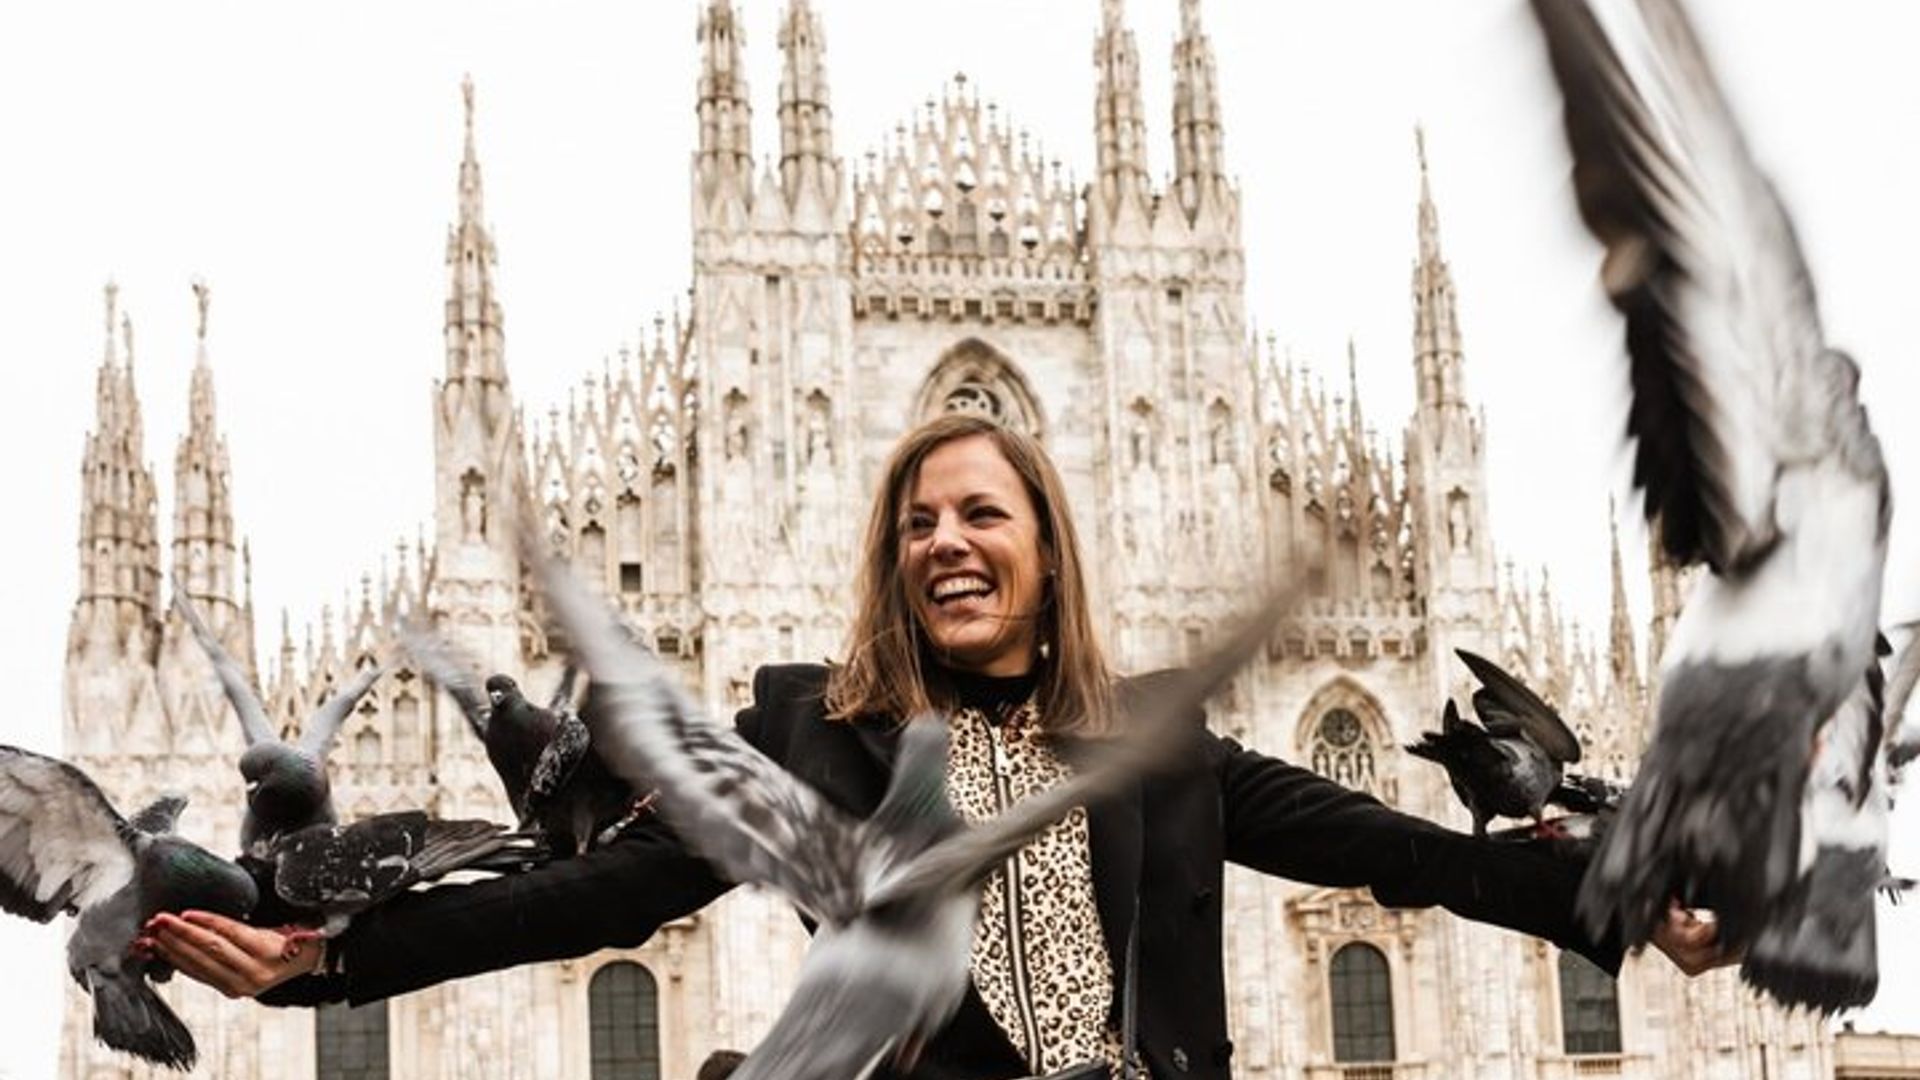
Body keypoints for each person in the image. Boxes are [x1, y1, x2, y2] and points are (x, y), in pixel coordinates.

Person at [139, 413, 1730, 1079]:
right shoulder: (810, 742)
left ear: (1047, 544)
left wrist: (1626, 902)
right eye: (917, 522)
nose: (947, 541)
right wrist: (328, 961)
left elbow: (1405, 855)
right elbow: (590, 898)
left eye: (982, 512)